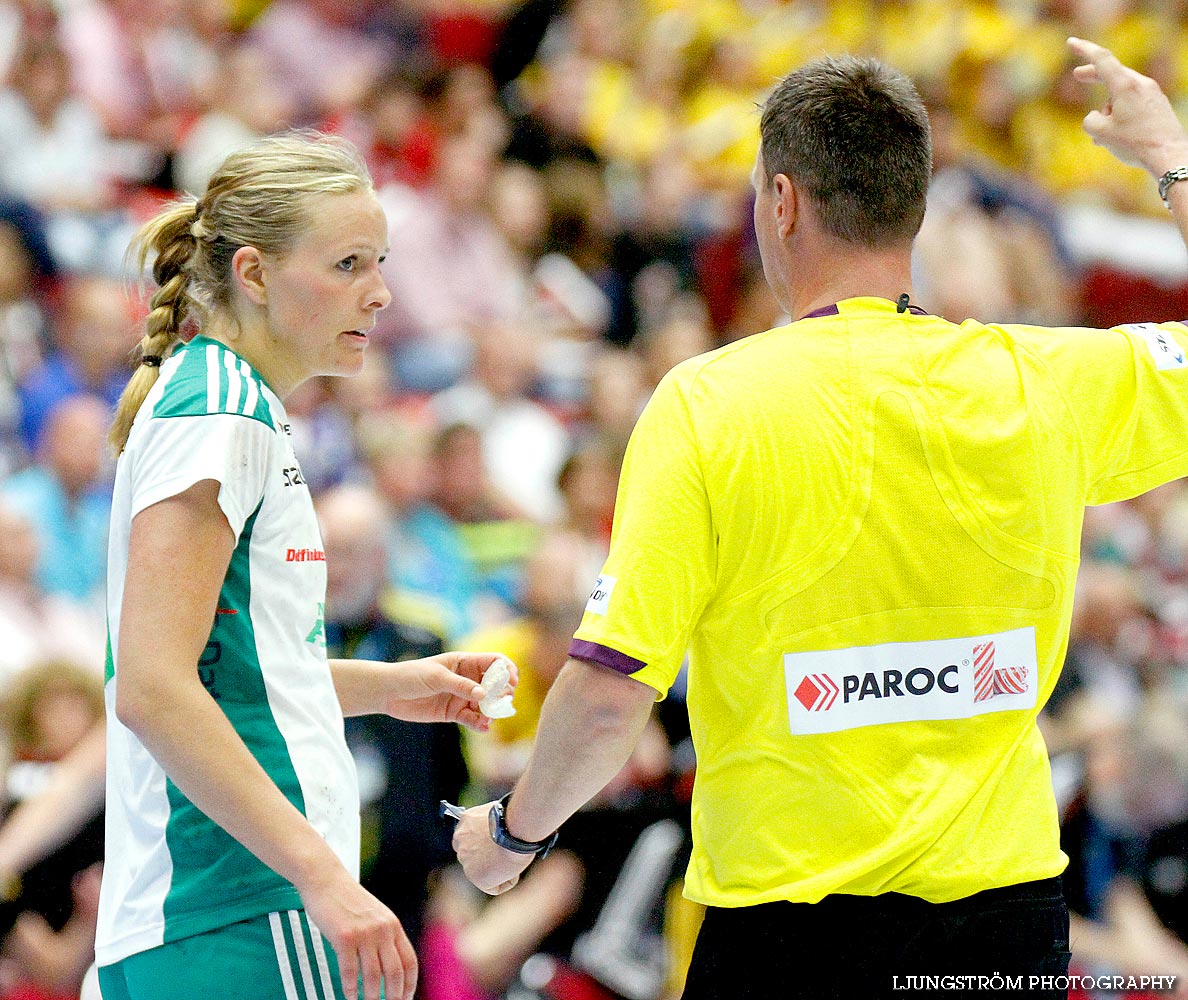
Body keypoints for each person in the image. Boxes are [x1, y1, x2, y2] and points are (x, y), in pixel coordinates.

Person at [452, 37, 1188, 998]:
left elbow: (608, 689)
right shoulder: (1037, 384)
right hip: (1002, 926)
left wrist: (515, 832)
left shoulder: (708, 405)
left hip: (789, 934)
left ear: (783, 201)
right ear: (915, 210)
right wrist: (1168, 158)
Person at [97, 131, 506, 1000]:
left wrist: (392, 686)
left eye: (382, 260)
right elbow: (153, 688)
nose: (383, 291)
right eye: (349, 263)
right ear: (253, 274)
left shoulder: (226, 402)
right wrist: (322, 875)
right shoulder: (222, 413)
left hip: (218, 913)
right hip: (239, 905)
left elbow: (235, 674)